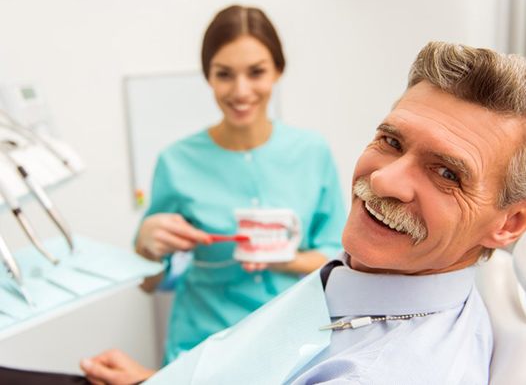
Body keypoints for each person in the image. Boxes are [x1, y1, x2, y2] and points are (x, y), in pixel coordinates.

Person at [81, 41, 526, 384]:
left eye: (447, 173)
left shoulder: (375, 369)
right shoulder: (372, 276)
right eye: (391, 141)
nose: (384, 180)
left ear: (509, 223)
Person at [133, 4, 346, 365]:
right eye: (225, 74)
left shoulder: (312, 151)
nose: (241, 90)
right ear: (208, 77)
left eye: (256, 72)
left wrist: (285, 259)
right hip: (202, 348)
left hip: (294, 343)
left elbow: (339, 258)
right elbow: (149, 282)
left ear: (278, 70)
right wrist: (145, 248)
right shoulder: (176, 161)